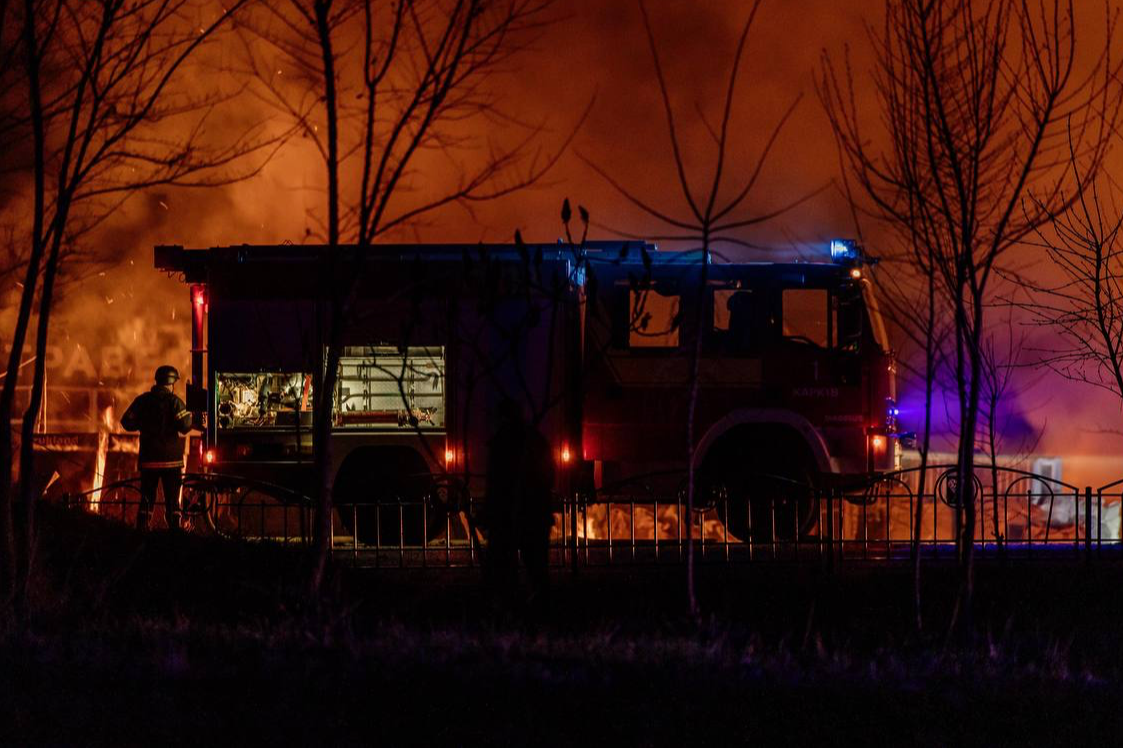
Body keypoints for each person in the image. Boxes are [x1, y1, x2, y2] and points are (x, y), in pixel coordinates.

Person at [484, 398, 556, 614]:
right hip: (535, 513)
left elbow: (496, 483)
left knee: (504, 567)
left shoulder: (500, 442)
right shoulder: (536, 440)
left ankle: (510, 609)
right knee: (536, 567)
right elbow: (549, 475)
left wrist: (490, 512)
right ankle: (542, 610)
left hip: (508, 514)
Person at [120, 365, 194, 531]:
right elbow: (185, 426)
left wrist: (143, 424)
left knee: (147, 497)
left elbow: (126, 421)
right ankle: (174, 531)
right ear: (171, 383)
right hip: (171, 461)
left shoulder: (142, 400)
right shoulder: (175, 402)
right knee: (173, 499)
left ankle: (142, 529)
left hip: (149, 459)